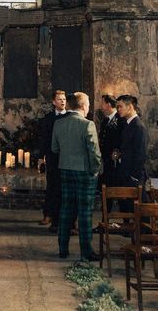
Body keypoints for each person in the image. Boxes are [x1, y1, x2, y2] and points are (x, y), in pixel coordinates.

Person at [52, 91, 102, 261]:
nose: (88, 108)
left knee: (66, 209)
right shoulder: (87, 125)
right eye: (88, 104)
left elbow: (55, 149)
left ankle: (63, 248)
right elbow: (94, 152)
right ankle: (86, 251)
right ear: (83, 106)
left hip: (65, 169)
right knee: (85, 212)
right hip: (84, 171)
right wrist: (96, 170)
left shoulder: (59, 124)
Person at [37, 89, 69, 231]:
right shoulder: (48, 118)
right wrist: (41, 157)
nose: (63, 101)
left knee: (63, 188)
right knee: (51, 186)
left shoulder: (69, 117)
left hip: (66, 157)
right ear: (53, 102)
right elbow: (43, 139)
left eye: (64, 99)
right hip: (51, 157)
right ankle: (48, 214)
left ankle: (61, 217)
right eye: (60, 99)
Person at [113, 95, 147, 196]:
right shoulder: (127, 123)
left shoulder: (138, 126)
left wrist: (133, 177)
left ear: (130, 107)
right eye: (117, 107)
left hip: (132, 176)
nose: (118, 109)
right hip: (125, 173)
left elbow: (140, 154)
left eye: (120, 106)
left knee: (133, 208)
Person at [98, 94, 121, 207]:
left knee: (117, 192)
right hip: (106, 161)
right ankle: (104, 219)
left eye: (102, 103)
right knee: (105, 191)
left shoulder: (120, 119)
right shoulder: (105, 121)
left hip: (116, 163)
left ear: (108, 104)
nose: (101, 106)